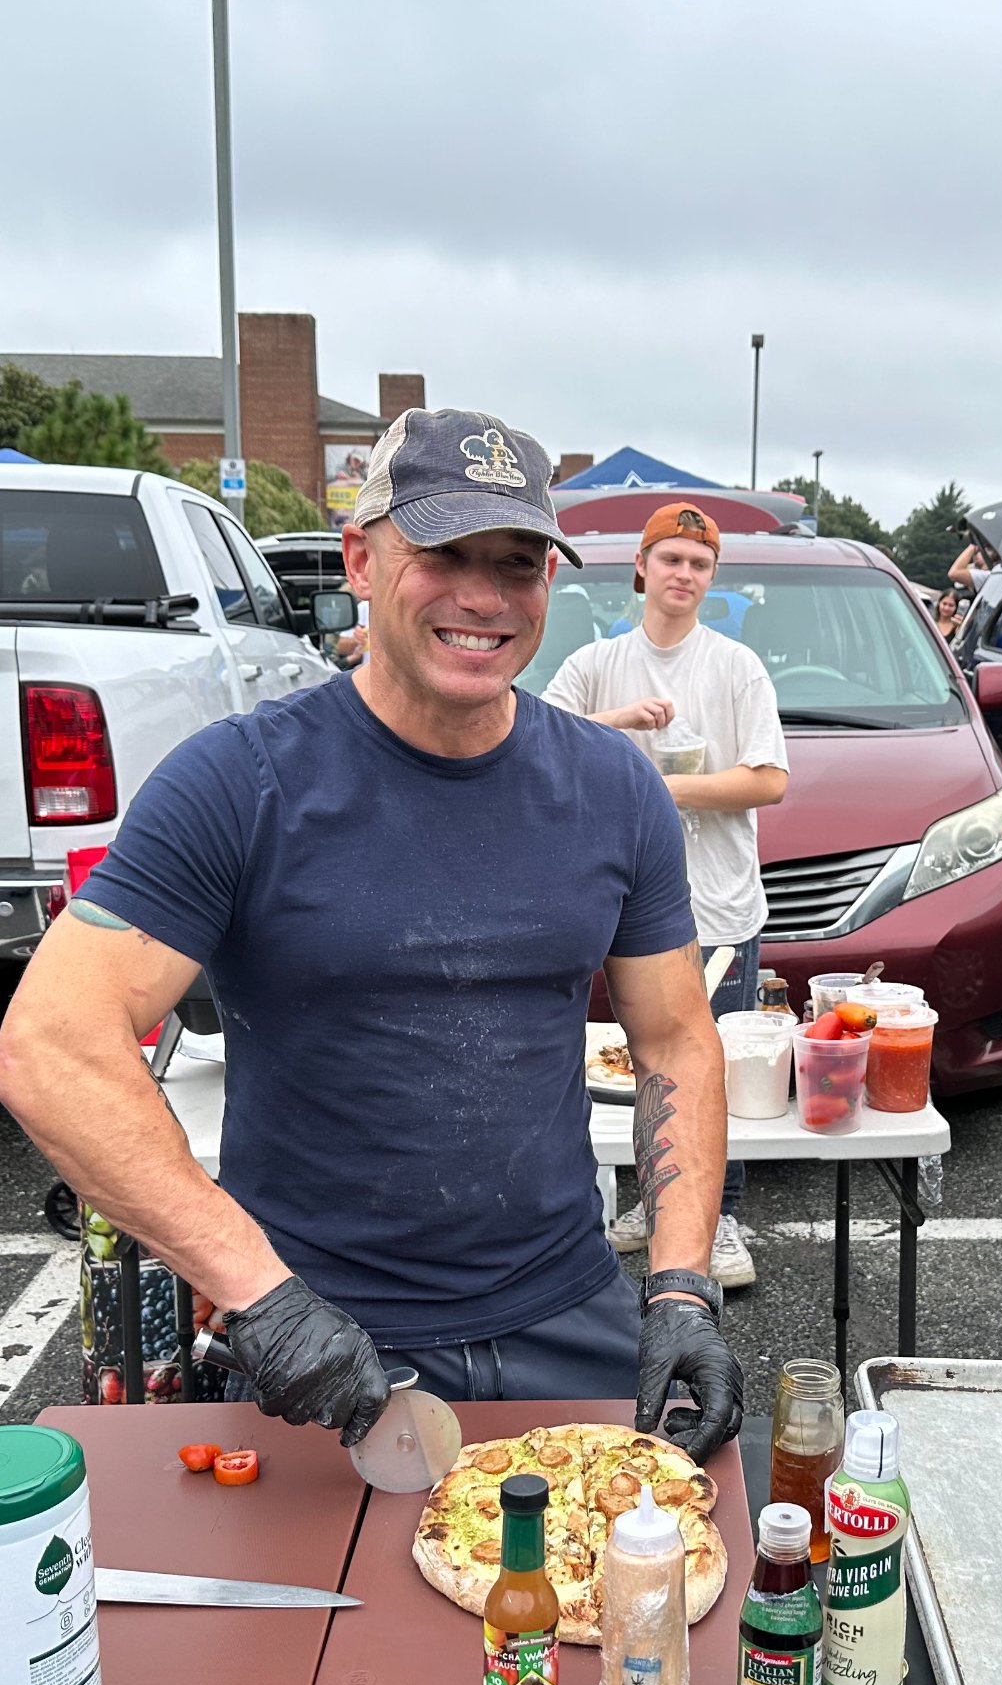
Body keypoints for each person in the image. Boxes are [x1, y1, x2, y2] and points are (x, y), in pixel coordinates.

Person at [0, 409, 743, 1464]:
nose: (484, 596)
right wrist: (261, 1297)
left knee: (618, 1607)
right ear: (359, 556)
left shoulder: (613, 787)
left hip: (572, 1315)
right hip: (326, 1347)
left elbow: (673, 1038)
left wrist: (680, 1286)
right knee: (329, 1630)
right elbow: (51, 1042)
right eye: (443, 555)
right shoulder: (242, 782)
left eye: (518, 563)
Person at [542, 502, 788, 1290]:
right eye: (671, 558)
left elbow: (768, 780)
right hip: (604, 907)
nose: (683, 574)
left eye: (699, 564)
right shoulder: (595, 664)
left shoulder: (733, 667)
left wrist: (661, 785)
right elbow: (533, 740)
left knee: (712, 1067)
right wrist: (616, 723)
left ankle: (719, 1221)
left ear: (712, 580)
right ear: (640, 568)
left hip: (715, 908)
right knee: (618, 1063)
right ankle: (638, 1202)